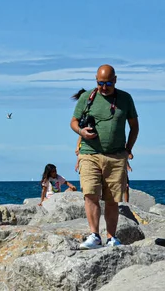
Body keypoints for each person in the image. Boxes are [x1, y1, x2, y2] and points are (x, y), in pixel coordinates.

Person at [71, 64, 139, 249]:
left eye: (108, 83)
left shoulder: (125, 99)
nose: (104, 86)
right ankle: (94, 235)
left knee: (112, 199)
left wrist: (128, 149)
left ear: (115, 80)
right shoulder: (87, 98)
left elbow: (134, 126)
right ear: (96, 80)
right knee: (90, 194)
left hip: (116, 156)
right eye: (101, 83)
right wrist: (81, 132)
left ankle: (111, 238)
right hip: (89, 153)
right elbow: (73, 121)